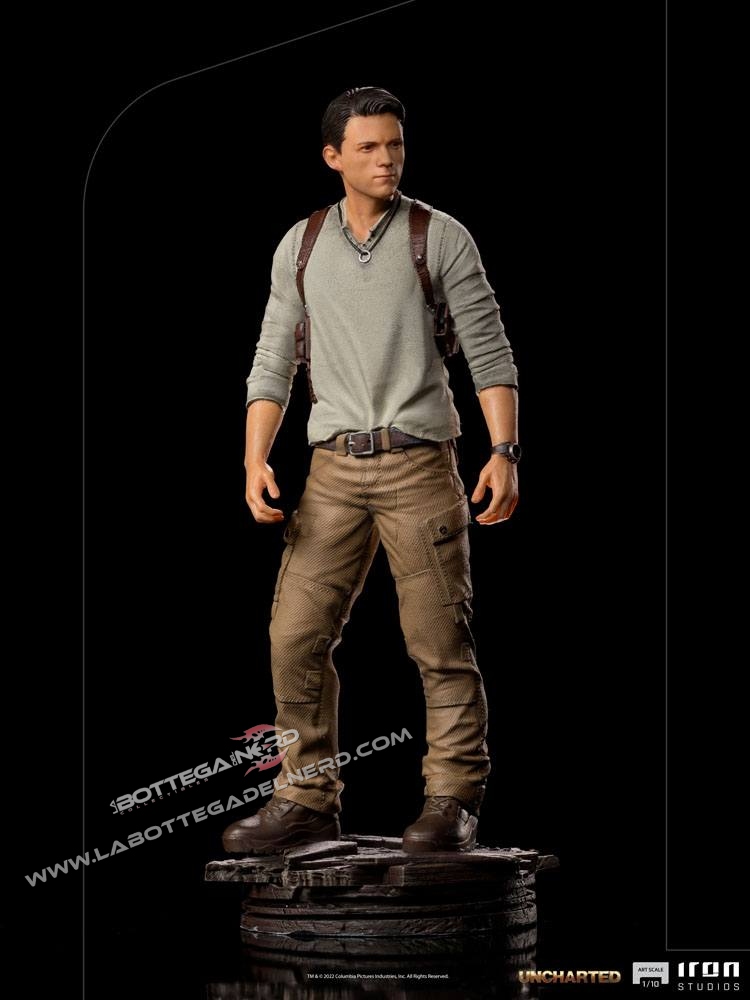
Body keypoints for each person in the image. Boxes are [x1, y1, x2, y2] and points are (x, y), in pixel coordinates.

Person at [222, 86, 520, 855]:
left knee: (439, 641)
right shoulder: (302, 244)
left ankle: (453, 798)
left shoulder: (438, 236)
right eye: (368, 148)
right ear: (333, 157)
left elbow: (489, 349)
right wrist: (254, 457)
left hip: (419, 464)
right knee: (294, 635)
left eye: (395, 145)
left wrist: (504, 451)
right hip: (331, 470)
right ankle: (305, 797)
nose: (386, 160)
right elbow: (272, 359)